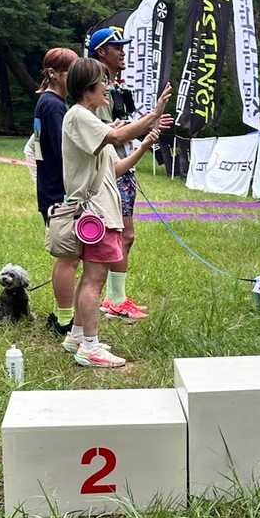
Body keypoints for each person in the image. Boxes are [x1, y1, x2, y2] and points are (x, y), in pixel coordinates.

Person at [58, 57, 170, 369]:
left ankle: (77, 337)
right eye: (102, 82)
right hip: (96, 215)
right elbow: (119, 137)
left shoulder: (91, 122)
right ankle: (90, 348)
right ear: (88, 88)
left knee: (90, 278)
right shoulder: (79, 116)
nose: (107, 88)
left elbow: (116, 168)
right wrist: (153, 115)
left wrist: (144, 144)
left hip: (101, 212)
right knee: (94, 280)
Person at [88, 26, 173, 321]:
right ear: (101, 52)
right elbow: (109, 133)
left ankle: (116, 298)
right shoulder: (97, 89)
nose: (123, 52)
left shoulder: (118, 87)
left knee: (125, 235)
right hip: (111, 170)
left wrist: (150, 124)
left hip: (125, 166)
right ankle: (114, 300)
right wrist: (149, 119)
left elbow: (126, 127)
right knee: (122, 235)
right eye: (117, 47)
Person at [33, 47, 80, 337]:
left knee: (68, 256)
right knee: (68, 257)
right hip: (58, 192)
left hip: (50, 188)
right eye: (70, 73)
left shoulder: (49, 102)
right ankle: (64, 320)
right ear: (53, 73)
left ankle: (62, 313)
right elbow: (66, 151)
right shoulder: (53, 106)